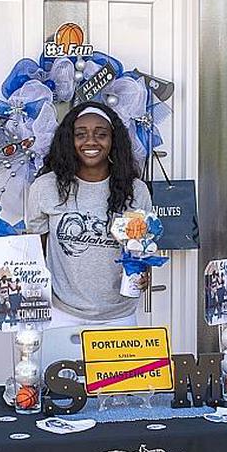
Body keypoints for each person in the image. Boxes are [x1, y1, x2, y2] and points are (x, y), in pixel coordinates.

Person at [26, 101, 152, 327]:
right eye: (80, 134)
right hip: (61, 312)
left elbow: (141, 250)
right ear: (68, 141)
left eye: (101, 134)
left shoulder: (136, 190)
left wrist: (143, 275)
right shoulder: (45, 188)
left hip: (119, 316)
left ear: (113, 141)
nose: (91, 141)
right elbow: (34, 252)